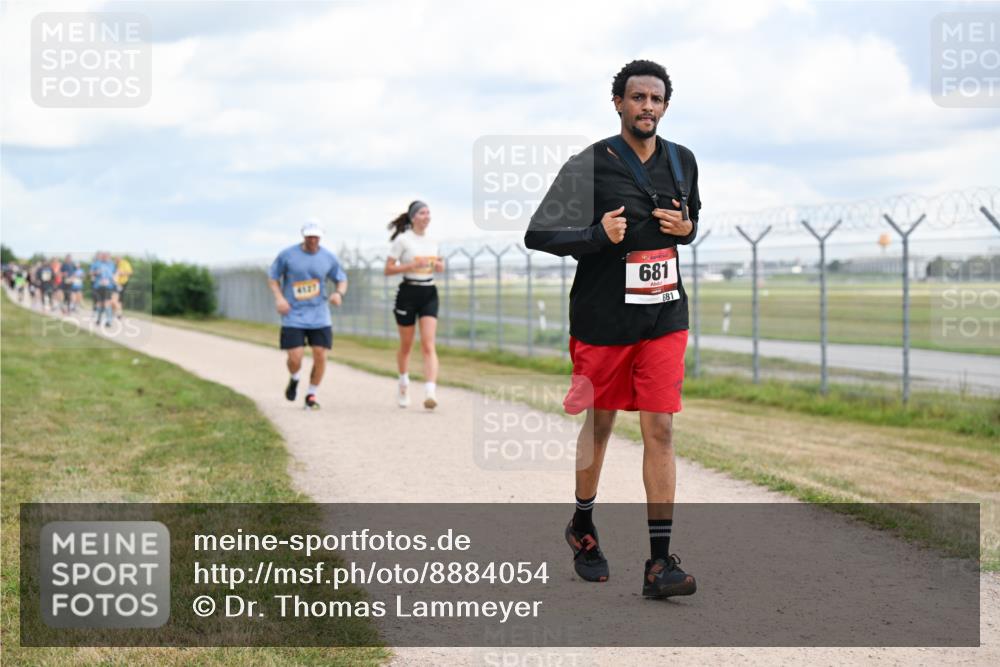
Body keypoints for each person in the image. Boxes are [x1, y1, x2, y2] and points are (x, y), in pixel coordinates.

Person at [524, 59, 702, 598]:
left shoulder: (682, 160)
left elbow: (688, 219)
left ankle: (658, 564)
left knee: (661, 429)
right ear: (619, 103)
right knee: (600, 426)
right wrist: (596, 234)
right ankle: (582, 525)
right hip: (604, 321)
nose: (647, 106)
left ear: (666, 105)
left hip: (664, 315)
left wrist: (688, 228)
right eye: (637, 97)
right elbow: (539, 233)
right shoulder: (590, 163)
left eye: (656, 98)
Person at [268, 221, 348, 410]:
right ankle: (295, 378)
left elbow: (341, 279)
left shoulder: (327, 257)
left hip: (319, 314)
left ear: (320, 237)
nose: (313, 240)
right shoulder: (288, 255)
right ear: (303, 236)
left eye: (316, 237)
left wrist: (338, 293)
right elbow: (273, 278)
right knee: (295, 357)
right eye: (309, 237)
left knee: (320, 354)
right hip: (293, 313)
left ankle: (311, 394)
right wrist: (280, 298)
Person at [384, 200, 444, 409]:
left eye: (429, 212)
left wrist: (438, 265)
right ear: (413, 217)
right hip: (408, 292)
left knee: (428, 344)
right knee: (406, 345)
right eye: (422, 213)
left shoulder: (433, 240)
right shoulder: (403, 240)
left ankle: (430, 391)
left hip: (429, 291)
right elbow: (388, 269)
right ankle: (403, 384)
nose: (427, 216)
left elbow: (440, 264)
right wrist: (411, 265)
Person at [89, 251, 117, 327]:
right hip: (98, 286)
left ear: (109, 257)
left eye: (106, 256)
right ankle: (98, 319)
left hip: (108, 286)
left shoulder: (112, 264)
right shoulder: (96, 263)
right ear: (101, 256)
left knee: (107, 303)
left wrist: (114, 280)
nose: (105, 257)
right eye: (103, 256)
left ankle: (109, 321)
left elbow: (115, 274)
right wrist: (96, 272)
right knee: (99, 303)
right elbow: (90, 273)